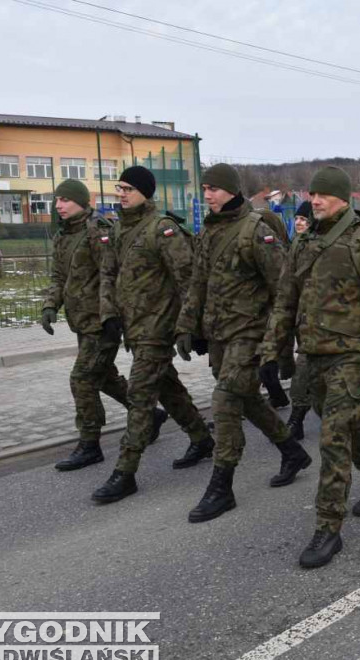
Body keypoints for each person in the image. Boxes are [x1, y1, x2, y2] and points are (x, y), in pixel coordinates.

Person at [262, 166, 360, 568]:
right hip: (312, 356)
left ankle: (328, 528)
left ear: (343, 198)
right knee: (350, 426)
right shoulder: (305, 242)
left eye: (323, 195)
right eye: (312, 194)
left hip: (351, 356)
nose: (315, 200)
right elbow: (285, 301)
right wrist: (272, 352)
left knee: (333, 437)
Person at [175, 163, 311, 525]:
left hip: (250, 333)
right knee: (246, 398)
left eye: (214, 189)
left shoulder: (256, 230)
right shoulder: (210, 231)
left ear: (232, 190)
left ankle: (222, 486)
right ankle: (291, 450)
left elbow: (284, 289)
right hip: (220, 333)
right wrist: (187, 326)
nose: (207, 195)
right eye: (205, 188)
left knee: (224, 401)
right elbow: (197, 283)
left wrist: (275, 345)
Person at [91, 166, 214, 503]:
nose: (121, 193)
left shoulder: (162, 230)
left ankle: (125, 472)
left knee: (141, 397)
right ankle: (202, 438)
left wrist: (192, 326)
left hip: (158, 329)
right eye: (120, 187)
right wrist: (109, 314)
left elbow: (188, 281)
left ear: (146, 192)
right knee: (169, 389)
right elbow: (107, 274)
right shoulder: (118, 230)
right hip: (133, 328)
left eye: (128, 188)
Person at [41, 179, 143, 472]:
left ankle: (90, 444)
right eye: (56, 200)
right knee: (105, 377)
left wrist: (112, 317)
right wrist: (50, 306)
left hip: (102, 323)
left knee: (82, 379)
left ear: (81, 202)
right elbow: (58, 277)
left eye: (65, 200)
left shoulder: (98, 231)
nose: (59, 205)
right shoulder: (63, 235)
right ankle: (149, 415)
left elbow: (112, 277)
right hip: (82, 322)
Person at [285, 200, 314, 441]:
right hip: (300, 318)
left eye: (304, 219)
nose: (299, 222)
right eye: (297, 218)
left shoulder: (319, 247)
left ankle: (296, 419)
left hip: (321, 321)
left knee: (303, 371)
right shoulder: (294, 245)